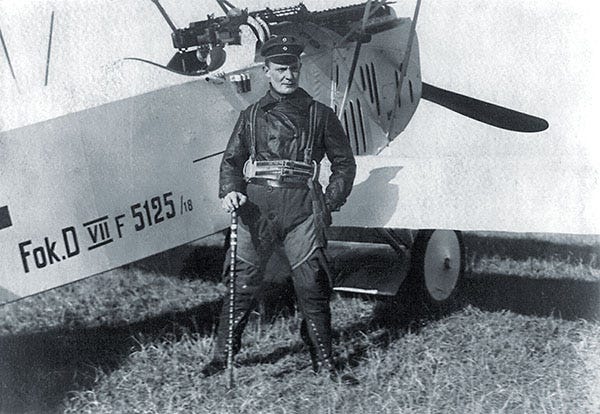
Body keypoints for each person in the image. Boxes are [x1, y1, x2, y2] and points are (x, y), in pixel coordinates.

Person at [202, 35, 357, 384]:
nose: (288, 75)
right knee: (242, 284)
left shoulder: (321, 114)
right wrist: (230, 192)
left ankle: (325, 361)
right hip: (257, 208)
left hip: (302, 208)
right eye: (280, 69)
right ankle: (222, 356)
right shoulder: (251, 115)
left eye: (293, 68)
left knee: (312, 284)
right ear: (266, 71)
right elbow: (231, 163)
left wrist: (329, 202)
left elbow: (344, 164)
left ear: (300, 69)